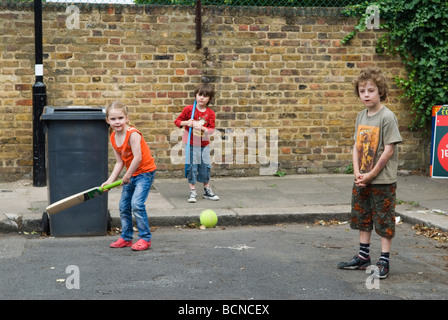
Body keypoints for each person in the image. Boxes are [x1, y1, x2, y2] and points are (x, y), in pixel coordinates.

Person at [337, 68, 402, 279]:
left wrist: (372, 174)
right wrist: (358, 173)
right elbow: (356, 146)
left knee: (384, 220)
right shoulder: (360, 116)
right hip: (363, 179)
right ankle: (363, 257)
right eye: (362, 90)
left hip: (382, 180)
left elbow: (388, 150)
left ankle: (384, 260)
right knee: (362, 217)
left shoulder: (387, 117)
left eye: (371, 90)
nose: (366, 94)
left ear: (380, 92)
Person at [102, 101, 157, 251]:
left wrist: (127, 176)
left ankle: (145, 238)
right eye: (113, 119)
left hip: (145, 173)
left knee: (137, 205)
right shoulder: (113, 137)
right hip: (131, 174)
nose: (117, 122)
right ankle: (126, 238)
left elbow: (138, 157)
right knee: (123, 206)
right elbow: (119, 162)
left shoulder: (133, 134)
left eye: (120, 118)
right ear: (108, 120)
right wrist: (109, 181)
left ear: (127, 118)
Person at [174, 83, 219, 203]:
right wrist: (187, 123)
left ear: (209, 99)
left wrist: (203, 128)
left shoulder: (210, 113)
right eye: (200, 95)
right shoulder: (189, 110)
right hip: (191, 143)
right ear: (196, 95)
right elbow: (177, 121)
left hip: (204, 144)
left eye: (205, 96)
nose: (202, 98)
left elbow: (211, 130)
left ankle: (207, 190)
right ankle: (192, 190)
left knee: (205, 167)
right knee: (192, 167)